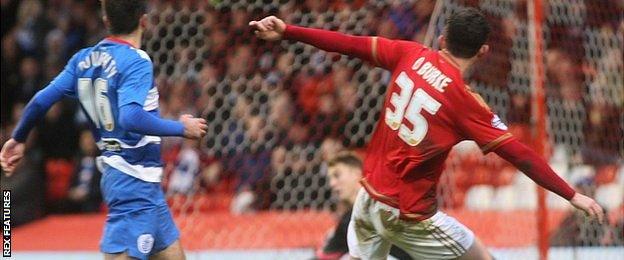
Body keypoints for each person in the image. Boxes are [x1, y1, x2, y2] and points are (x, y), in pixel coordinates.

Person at [249, 8, 604, 260]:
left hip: (367, 197)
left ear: (441, 38)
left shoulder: (409, 53)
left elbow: (348, 43)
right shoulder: (465, 103)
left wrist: (288, 31)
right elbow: (520, 154)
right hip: (407, 214)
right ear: (483, 52)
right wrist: (573, 195)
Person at [0, 1, 208, 259]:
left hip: (144, 186)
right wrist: (181, 128)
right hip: (132, 180)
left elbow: (41, 100)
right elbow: (130, 117)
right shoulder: (136, 61)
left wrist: (18, 138)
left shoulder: (82, 60)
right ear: (144, 21)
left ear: (106, 20)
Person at [318, 151, 411, 260]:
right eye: (330, 178)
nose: (332, 183)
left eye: (337, 175)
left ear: (357, 173)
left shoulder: (384, 203)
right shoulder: (348, 219)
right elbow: (326, 255)